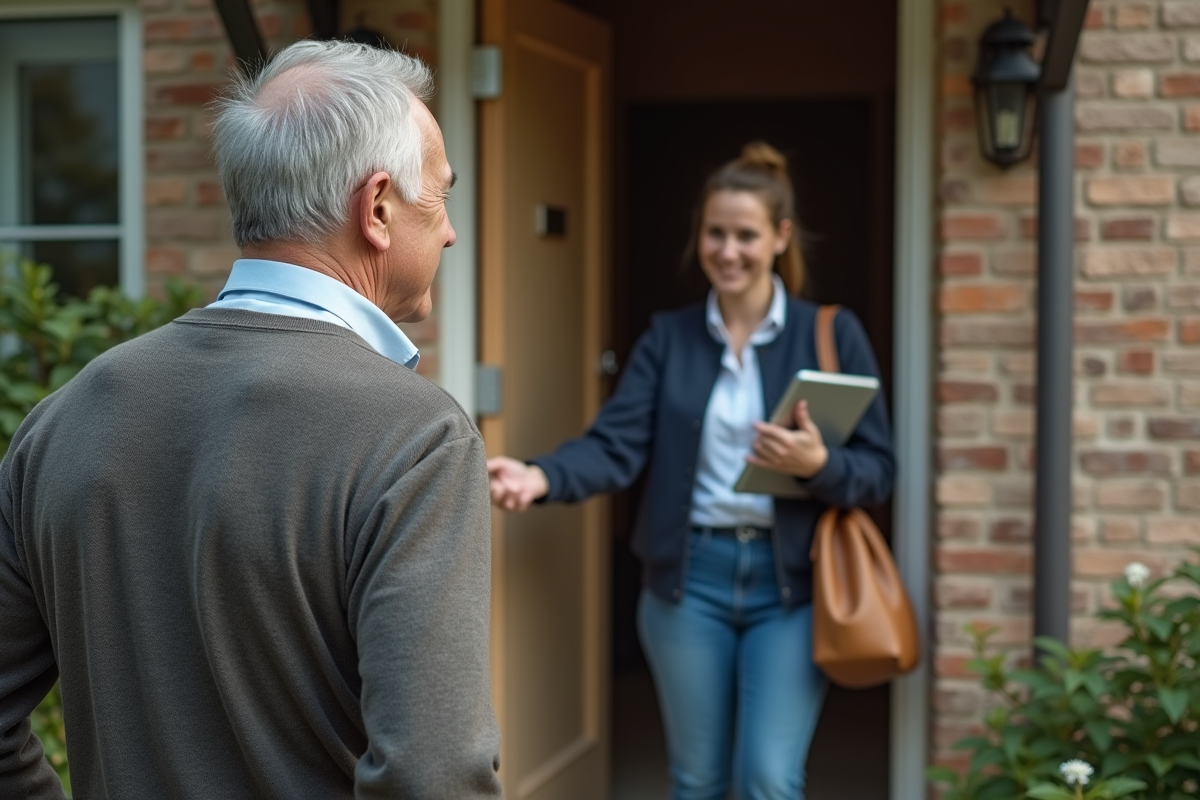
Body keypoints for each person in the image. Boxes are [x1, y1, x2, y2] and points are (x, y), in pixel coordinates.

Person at [0, 40, 502, 800]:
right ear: (376, 209)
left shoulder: (65, 417)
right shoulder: (414, 438)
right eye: (439, 196)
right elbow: (433, 778)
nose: (450, 231)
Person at [488, 142, 895, 800]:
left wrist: (820, 465)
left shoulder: (831, 333)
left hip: (790, 587)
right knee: (697, 780)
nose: (727, 251)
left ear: (780, 237)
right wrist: (540, 477)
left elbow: (879, 470)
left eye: (745, 235)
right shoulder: (669, 337)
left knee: (768, 777)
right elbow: (616, 444)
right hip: (687, 584)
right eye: (715, 233)